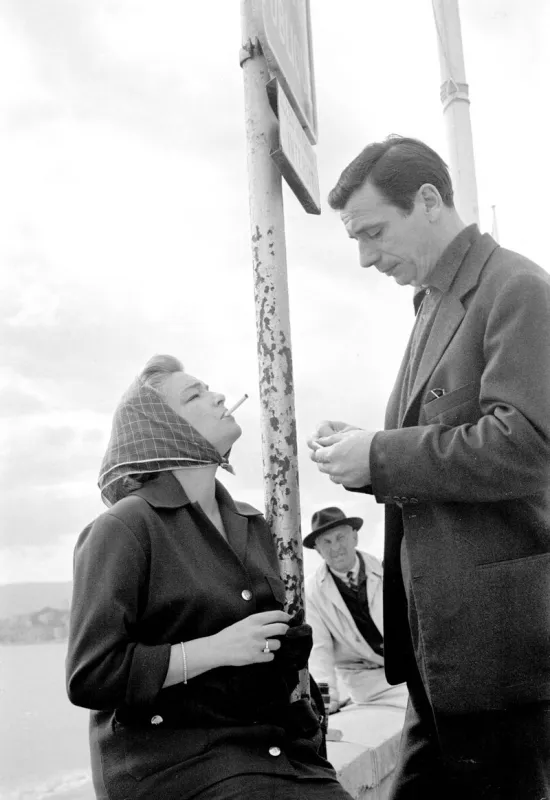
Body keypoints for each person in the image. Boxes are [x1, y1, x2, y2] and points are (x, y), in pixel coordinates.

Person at [308, 136, 550, 799]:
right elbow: (443, 446)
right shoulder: (434, 304)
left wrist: (380, 454)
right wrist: (363, 451)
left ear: (429, 200)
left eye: (374, 232)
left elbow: (529, 444)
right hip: (440, 654)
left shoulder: (517, 287)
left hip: (499, 659)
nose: (365, 257)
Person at [66, 354, 353, 800]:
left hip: (273, 750)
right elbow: (92, 675)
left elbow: (254, 652)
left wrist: (283, 647)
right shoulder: (124, 527)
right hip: (172, 763)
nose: (218, 395)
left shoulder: (252, 523)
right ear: (162, 428)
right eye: (195, 394)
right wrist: (216, 649)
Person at [304, 507, 407, 713]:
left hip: (405, 671)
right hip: (364, 682)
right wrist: (325, 701)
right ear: (317, 549)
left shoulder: (387, 568)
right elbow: (319, 650)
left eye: (340, 538)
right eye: (327, 542)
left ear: (354, 538)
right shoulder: (312, 592)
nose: (336, 548)